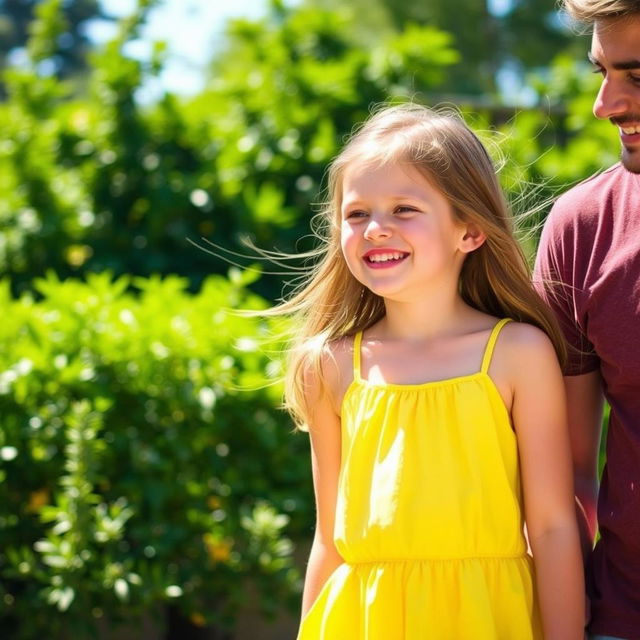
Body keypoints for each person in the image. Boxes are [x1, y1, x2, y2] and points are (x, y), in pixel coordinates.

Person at [271, 103, 584, 639]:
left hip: (491, 621)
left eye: (404, 209)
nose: (375, 229)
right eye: (356, 213)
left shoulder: (518, 354)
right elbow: (330, 540)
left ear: (470, 231)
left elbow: (553, 528)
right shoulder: (329, 366)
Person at [533, 2, 640, 639]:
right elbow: (565, 481)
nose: (606, 104)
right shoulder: (582, 229)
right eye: (602, 73)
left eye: (638, 77)